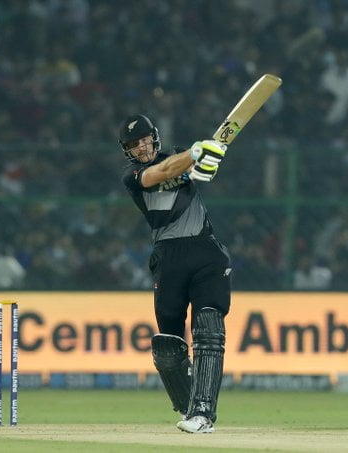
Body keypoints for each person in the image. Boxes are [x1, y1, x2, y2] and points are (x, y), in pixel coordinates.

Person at [119, 114, 232, 433]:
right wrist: (196, 153)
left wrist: (207, 160)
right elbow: (163, 173)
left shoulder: (179, 156)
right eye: (134, 145)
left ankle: (203, 413)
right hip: (167, 258)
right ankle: (188, 406)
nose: (142, 148)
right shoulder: (133, 176)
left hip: (205, 251)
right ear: (127, 151)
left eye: (145, 140)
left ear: (155, 137)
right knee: (168, 346)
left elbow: (201, 172)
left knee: (209, 329)